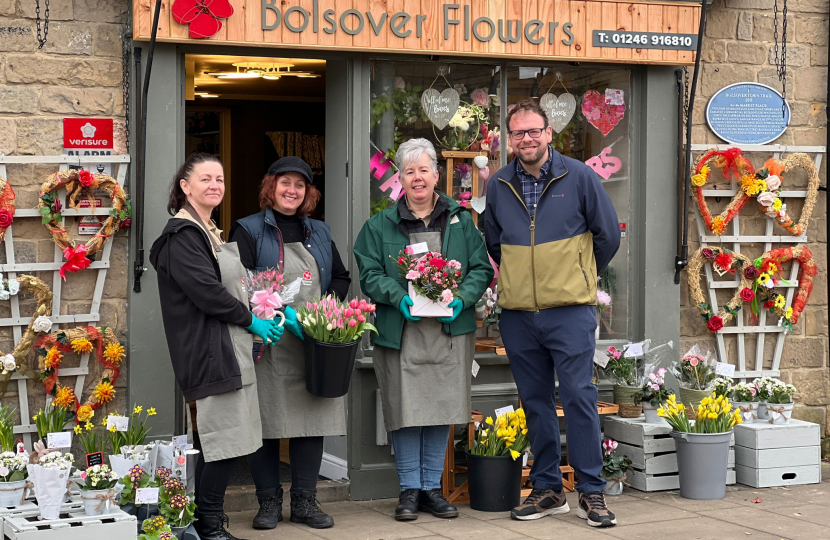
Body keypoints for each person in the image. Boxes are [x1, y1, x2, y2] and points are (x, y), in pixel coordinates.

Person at [485, 100, 621, 527]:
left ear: (549, 134)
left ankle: (592, 493)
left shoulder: (578, 176)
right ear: (511, 139)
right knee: (535, 402)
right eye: (518, 133)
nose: (526, 139)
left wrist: (576, 275)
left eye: (533, 131)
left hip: (570, 311)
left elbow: (608, 235)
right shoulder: (497, 183)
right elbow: (494, 243)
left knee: (579, 397)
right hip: (519, 314)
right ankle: (546, 489)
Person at [354, 138, 493, 521]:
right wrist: (399, 297)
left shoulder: (461, 221)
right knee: (404, 409)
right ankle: (409, 491)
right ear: (400, 178)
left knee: (440, 408)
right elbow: (369, 273)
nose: (417, 178)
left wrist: (461, 299)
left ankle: (432, 488)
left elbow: (481, 269)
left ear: (436, 175)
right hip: (401, 330)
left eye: (423, 170)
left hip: (450, 331)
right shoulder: (378, 225)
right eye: (409, 171)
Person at [150, 153, 283, 540]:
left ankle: (207, 522)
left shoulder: (209, 230)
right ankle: (209, 526)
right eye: (205, 178)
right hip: (210, 352)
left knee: (225, 441)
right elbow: (207, 294)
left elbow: (230, 287)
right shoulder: (182, 236)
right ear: (185, 187)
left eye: (220, 179)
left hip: (230, 348)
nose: (215, 185)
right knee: (225, 442)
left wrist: (267, 306)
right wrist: (251, 319)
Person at [229, 156, 351, 530]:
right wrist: (281, 315)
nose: (292, 191)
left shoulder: (320, 231)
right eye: (286, 183)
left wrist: (323, 314)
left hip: (312, 343)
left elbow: (342, 278)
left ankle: (305, 502)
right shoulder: (248, 230)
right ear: (271, 186)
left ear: (308, 193)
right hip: (268, 340)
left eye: (300, 185)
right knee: (265, 423)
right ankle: (267, 503)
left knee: (310, 423)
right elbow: (241, 284)